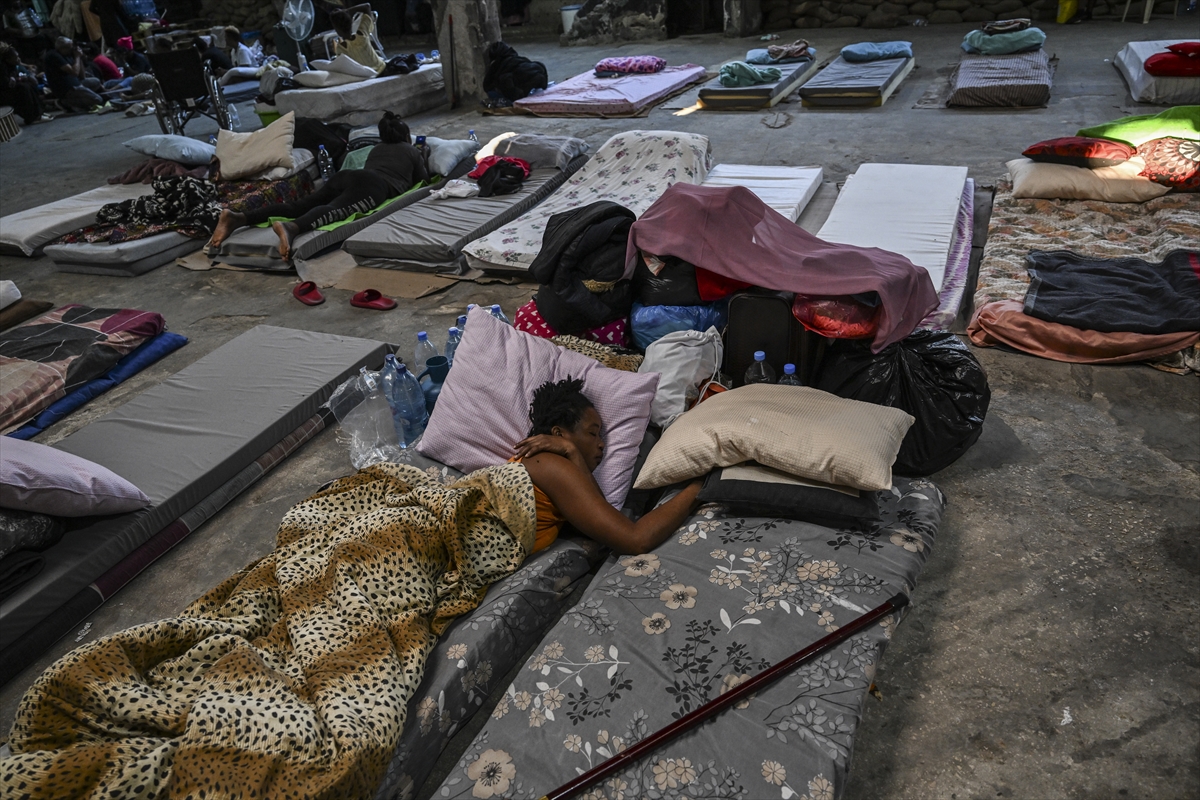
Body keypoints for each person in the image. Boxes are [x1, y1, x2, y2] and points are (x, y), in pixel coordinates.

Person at [511, 378, 704, 555]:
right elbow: (635, 540)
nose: (601, 444)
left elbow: (600, 516)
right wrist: (700, 486)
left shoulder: (540, 464)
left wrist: (573, 452)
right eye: (592, 433)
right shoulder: (549, 464)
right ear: (558, 434)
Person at [207, 111, 428, 259]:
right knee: (336, 211)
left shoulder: (376, 149)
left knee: (300, 204)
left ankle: (239, 218)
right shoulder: (411, 151)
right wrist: (422, 155)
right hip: (375, 186)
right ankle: (292, 227)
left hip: (350, 176)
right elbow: (423, 180)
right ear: (406, 135)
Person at [43, 36, 103, 111]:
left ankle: (81, 100)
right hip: (66, 89)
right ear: (62, 48)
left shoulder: (68, 54)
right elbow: (74, 73)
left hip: (76, 84)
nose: (72, 50)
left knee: (96, 82)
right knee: (98, 100)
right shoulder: (53, 55)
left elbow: (82, 76)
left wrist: (79, 58)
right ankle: (64, 102)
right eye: (70, 48)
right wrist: (77, 57)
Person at [0, 41, 49, 123]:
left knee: (30, 85)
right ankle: (32, 117)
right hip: (4, 93)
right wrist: (19, 79)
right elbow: (5, 83)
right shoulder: (2, 68)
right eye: (16, 57)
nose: (18, 59)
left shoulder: (13, 65)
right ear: (8, 59)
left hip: (12, 88)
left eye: (18, 56)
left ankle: (39, 113)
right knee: (24, 88)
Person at [330, 3, 384, 74]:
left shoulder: (341, 49)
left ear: (337, 31)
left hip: (366, 75)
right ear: (351, 22)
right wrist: (347, 11)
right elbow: (367, 6)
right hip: (382, 69)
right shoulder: (362, 34)